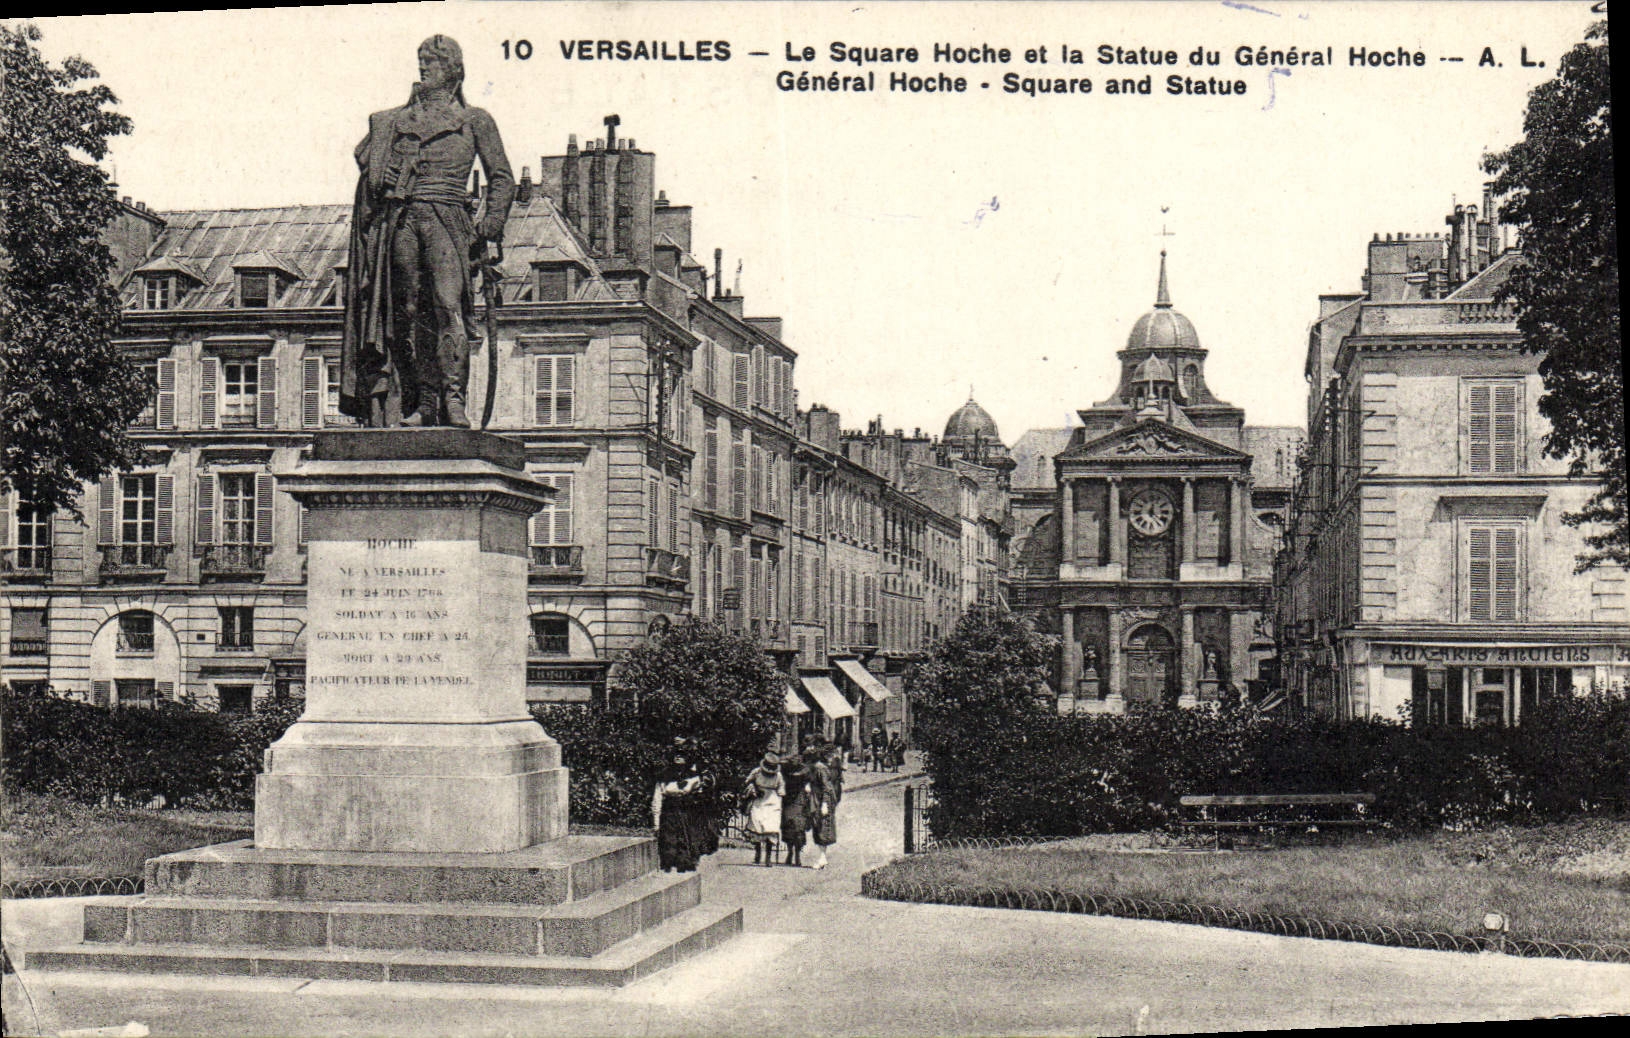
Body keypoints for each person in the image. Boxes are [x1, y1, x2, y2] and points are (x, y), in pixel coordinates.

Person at [341, 35, 515, 428]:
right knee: (409, 312)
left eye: (434, 61)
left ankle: (455, 401)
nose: (424, 67)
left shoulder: (475, 121)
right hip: (403, 221)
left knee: (447, 308)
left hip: (448, 220)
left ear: (454, 70)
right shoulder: (395, 122)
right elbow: (371, 175)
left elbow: (502, 177)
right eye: (421, 60)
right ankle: (426, 403)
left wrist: (489, 225)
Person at [652, 752, 711, 873]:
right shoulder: (664, 777)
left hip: (687, 812)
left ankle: (685, 863)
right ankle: (668, 865)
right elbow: (657, 799)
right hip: (670, 812)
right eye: (676, 755)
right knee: (669, 838)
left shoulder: (694, 777)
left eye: (682, 755)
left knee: (687, 837)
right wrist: (656, 823)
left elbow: (700, 797)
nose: (678, 757)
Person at [743, 753, 783, 867]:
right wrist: (754, 789)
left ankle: (768, 858)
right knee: (757, 826)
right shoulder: (757, 772)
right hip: (759, 801)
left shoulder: (778, 776)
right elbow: (747, 781)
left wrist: (780, 793)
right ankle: (758, 852)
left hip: (772, 802)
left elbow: (781, 788)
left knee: (770, 828)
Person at [806, 744, 839, 870]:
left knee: (823, 828)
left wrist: (825, 804)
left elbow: (826, 788)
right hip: (819, 800)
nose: (832, 759)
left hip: (823, 801)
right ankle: (822, 857)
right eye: (830, 756)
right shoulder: (819, 768)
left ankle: (822, 857)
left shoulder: (821, 768)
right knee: (819, 826)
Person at [779, 751, 812, 867]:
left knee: (790, 828)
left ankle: (791, 853)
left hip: (790, 802)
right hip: (797, 802)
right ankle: (796, 855)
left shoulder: (785, 775)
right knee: (798, 829)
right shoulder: (803, 776)